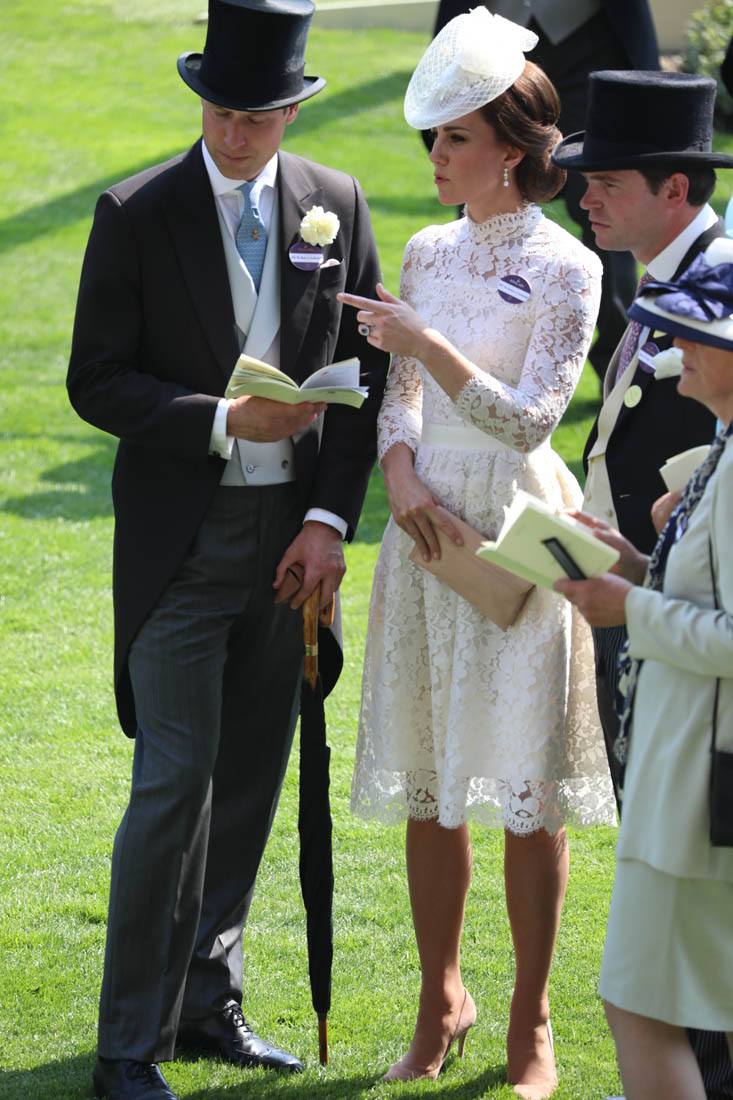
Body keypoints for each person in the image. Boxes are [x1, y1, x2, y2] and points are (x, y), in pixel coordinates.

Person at [66, 1, 389, 1097]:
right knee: (175, 782)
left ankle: (209, 1001)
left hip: (290, 547)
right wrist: (218, 419)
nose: (234, 133)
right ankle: (128, 1044)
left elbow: (365, 380)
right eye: (219, 111)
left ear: (292, 112)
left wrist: (327, 523)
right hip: (181, 547)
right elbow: (95, 380)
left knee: (251, 775)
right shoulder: (134, 212)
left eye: (256, 116)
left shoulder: (337, 203)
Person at [339, 10, 615, 1096]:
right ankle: (438, 999)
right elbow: (395, 401)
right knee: (431, 781)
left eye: (455, 137)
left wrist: (431, 343)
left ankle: (530, 1020)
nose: (437, 156)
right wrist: (399, 474)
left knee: (525, 784)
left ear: (509, 147)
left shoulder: (568, 266)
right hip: (422, 534)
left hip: (518, 532)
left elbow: (532, 419)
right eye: (434, 138)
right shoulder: (425, 249)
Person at [552, 68, 733, 1100]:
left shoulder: (717, 291)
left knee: (673, 978)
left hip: (694, 675)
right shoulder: (655, 276)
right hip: (650, 607)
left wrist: (638, 594)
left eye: (606, 180)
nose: (585, 198)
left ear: (674, 188)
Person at [428, 0, 660, 383]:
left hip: (590, 45)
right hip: (493, 40)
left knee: (606, 210)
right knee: (481, 191)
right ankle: (463, 351)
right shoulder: (423, 250)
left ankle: (621, 374)